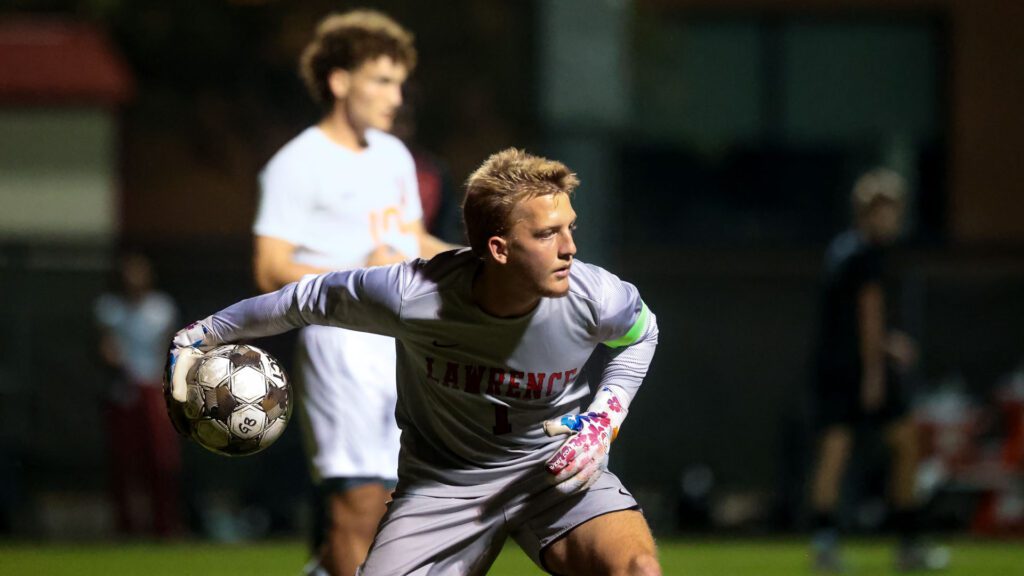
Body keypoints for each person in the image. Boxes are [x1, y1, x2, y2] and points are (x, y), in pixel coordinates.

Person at [167, 148, 661, 575]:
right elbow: (301, 300)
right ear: (499, 248)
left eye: (570, 227)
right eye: (549, 234)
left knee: (636, 567)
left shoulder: (594, 294)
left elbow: (644, 335)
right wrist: (200, 334)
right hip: (445, 485)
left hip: (554, 474)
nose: (571, 248)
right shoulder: (413, 294)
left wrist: (605, 418)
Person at [251, 11, 451, 575]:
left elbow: (410, 240)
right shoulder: (297, 163)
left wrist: (482, 261)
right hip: (339, 348)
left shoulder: (392, 156)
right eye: (382, 80)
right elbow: (269, 269)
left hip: (401, 346)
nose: (396, 95)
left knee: (399, 511)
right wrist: (356, 275)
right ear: (340, 82)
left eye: (400, 82)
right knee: (357, 509)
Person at [808, 168, 947, 572]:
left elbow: (850, 322)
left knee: (837, 452)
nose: (892, 219)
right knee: (901, 444)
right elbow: (867, 320)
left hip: (833, 369)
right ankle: (906, 543)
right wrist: (875, 374)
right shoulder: (866, 257)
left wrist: (887, 345)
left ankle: (825, 543)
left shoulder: (842, 250)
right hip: (857, 373)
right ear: (868, 212)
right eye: (886, 210)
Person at [94, 252, 182, 537]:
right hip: (124, 392)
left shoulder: (161, 308)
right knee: (123, 461)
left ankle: (164, 525)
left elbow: (169, 348)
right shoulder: (110, 308)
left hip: (153, 390)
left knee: (161, 461)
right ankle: (126, 526)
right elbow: (105, 346)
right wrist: (115, 360)